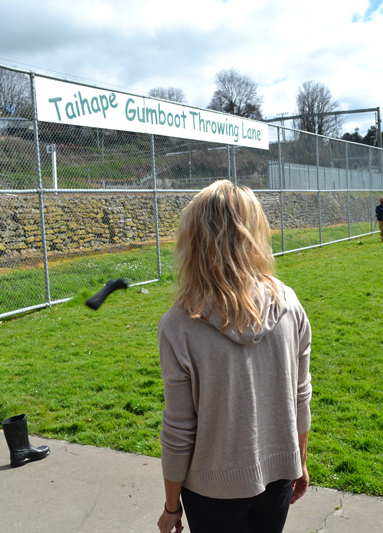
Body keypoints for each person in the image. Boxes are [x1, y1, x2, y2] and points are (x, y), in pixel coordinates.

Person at [156, 180, 312, 533]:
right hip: (278, 477)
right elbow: (301, 397)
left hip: (212, 492)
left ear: (194, 240)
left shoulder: (178, 325)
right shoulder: (290, 303)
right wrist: (299, 461)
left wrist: (171, 506)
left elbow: (178, 429)